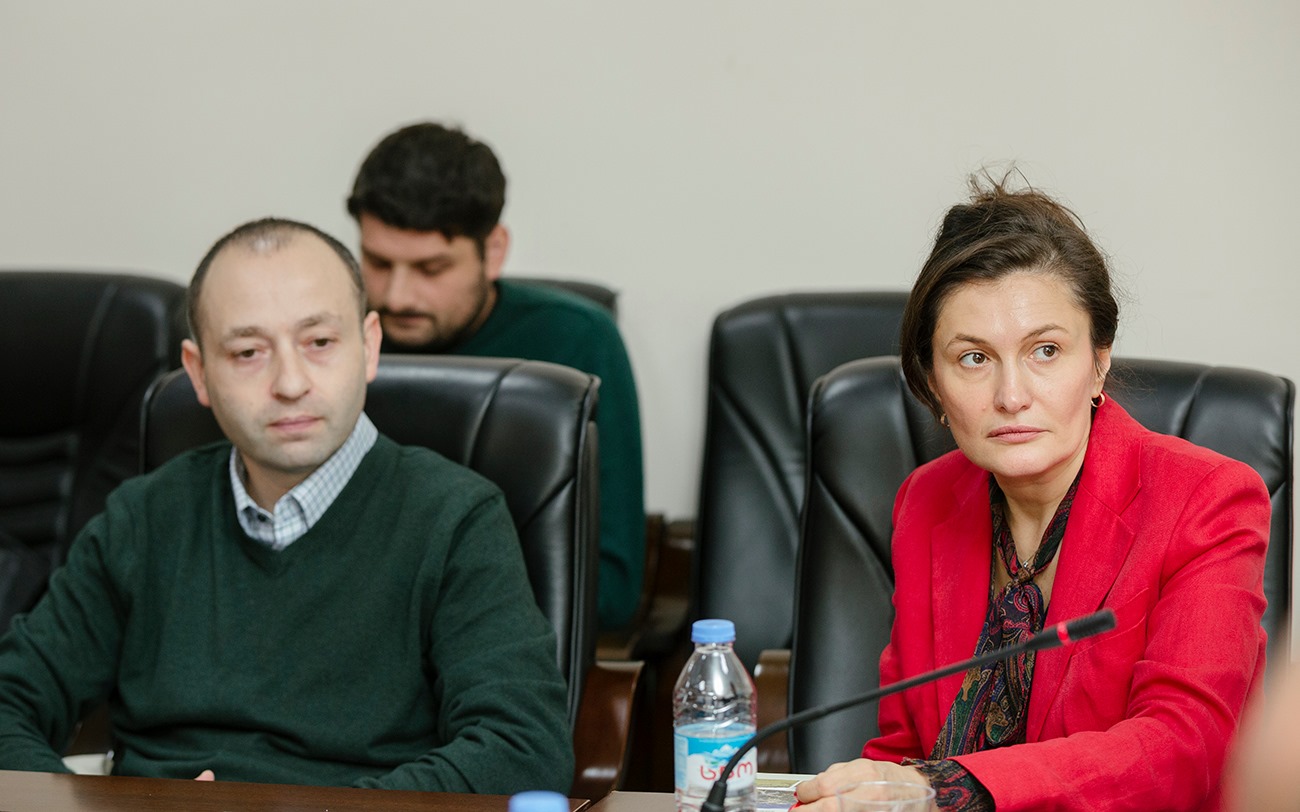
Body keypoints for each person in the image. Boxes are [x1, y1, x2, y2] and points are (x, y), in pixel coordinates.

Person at [0, 218, 573, 793]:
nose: (291, 383)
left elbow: (522, 746)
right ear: (199, 373)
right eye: (248, 352)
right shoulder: (143, 517)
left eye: (319, 342)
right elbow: (9, 700)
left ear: (369, 346)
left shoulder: (455, 519)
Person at [794, 176, 1270, 811]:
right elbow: (904, 747)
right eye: (973, 358)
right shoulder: (926, 502)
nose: (1011, 395)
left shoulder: (1206, 500)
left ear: (1099, 361)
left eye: (1045, 350)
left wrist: (946, 788)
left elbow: (1185, 748)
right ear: (932, 384)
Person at [346, 122, 646, 631]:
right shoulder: (328, 339)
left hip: (508, 640)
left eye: (431, 269)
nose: (397, 296)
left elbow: (609, 586)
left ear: (494, 250)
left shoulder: (576, 340)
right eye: (377, 262)